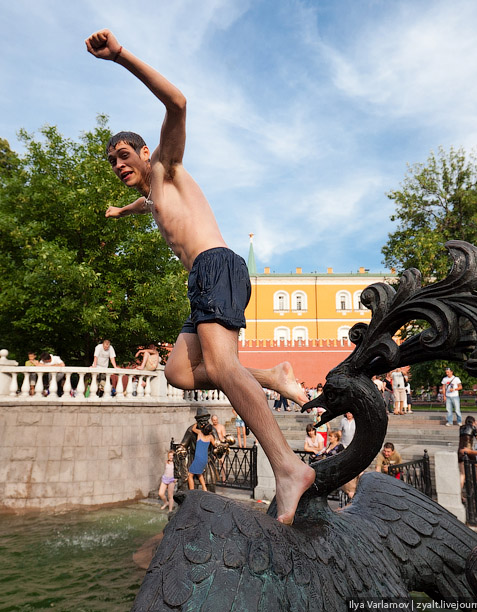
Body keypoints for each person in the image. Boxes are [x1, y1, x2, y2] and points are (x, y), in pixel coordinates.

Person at [87, 29, 314, 523]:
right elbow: (146, 204)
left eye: (124, 155)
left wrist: (120, 56)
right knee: (178, 373)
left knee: (224, 367)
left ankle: (289, 467)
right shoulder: (151, 196)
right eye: (112, 162)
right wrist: (119, 211)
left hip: (217, 264)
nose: (118, 164)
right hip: (202, 280)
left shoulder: (167, 166)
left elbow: (178, 102)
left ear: (145, 153)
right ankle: (272, 375)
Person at [187, 422, 216, 491]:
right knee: (199, 473)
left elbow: (193, 429)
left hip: (198, 458)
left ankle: (192, 491)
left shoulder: (200, 434)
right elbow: (215, 445)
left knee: (190, 475)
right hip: (204, 458)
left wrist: (197, 422)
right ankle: (204, 488)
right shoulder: (210, 437)